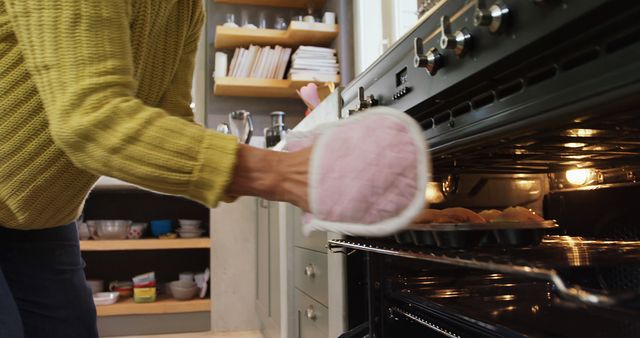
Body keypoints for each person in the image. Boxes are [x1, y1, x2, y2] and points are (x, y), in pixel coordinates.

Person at [0, 1, 481, 337]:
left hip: (42, 217)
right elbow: (93, 121)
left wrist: (371, 203)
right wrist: (286, 174)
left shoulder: (187, 7)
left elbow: (169, 118)